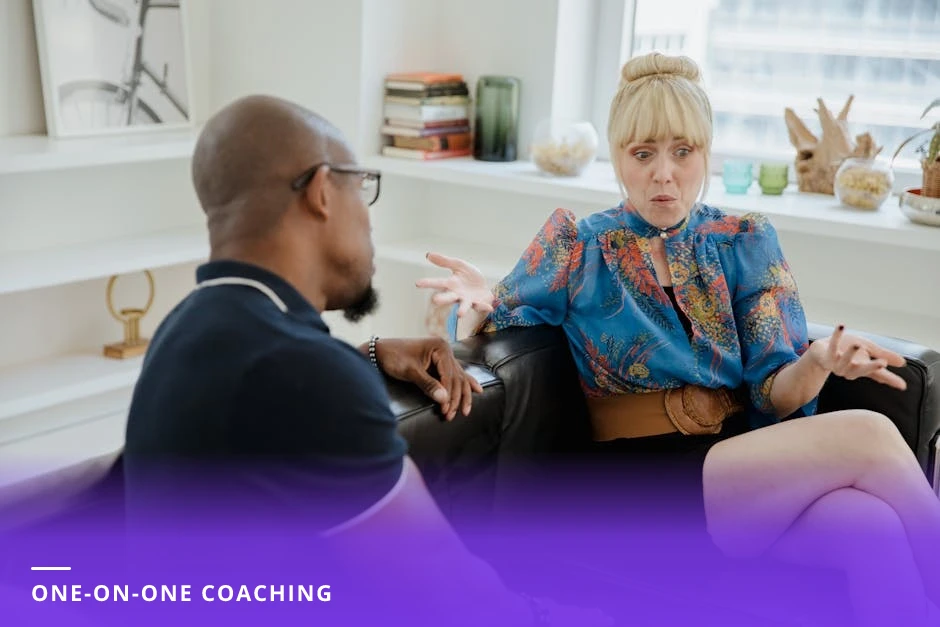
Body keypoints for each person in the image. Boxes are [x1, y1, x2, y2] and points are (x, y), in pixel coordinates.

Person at [418, 53, 940, 626]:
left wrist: (816, 360)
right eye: (643, 154)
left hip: (735, 471)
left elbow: (772, 395)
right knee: (869, 431)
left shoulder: (745, 242)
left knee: (872, 529)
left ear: (705, 154)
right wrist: (475, 301)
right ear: (619, 158)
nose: (663, 173)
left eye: (682, 152)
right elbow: (489, 326)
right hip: (639, 483)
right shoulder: (578, 246)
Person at [121, 94, 611, 627]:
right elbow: (449, 596)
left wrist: (368, 355)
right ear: (321, 191)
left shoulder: (187, 329)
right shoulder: (304, 375)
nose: (371, 221)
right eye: (362, 187)